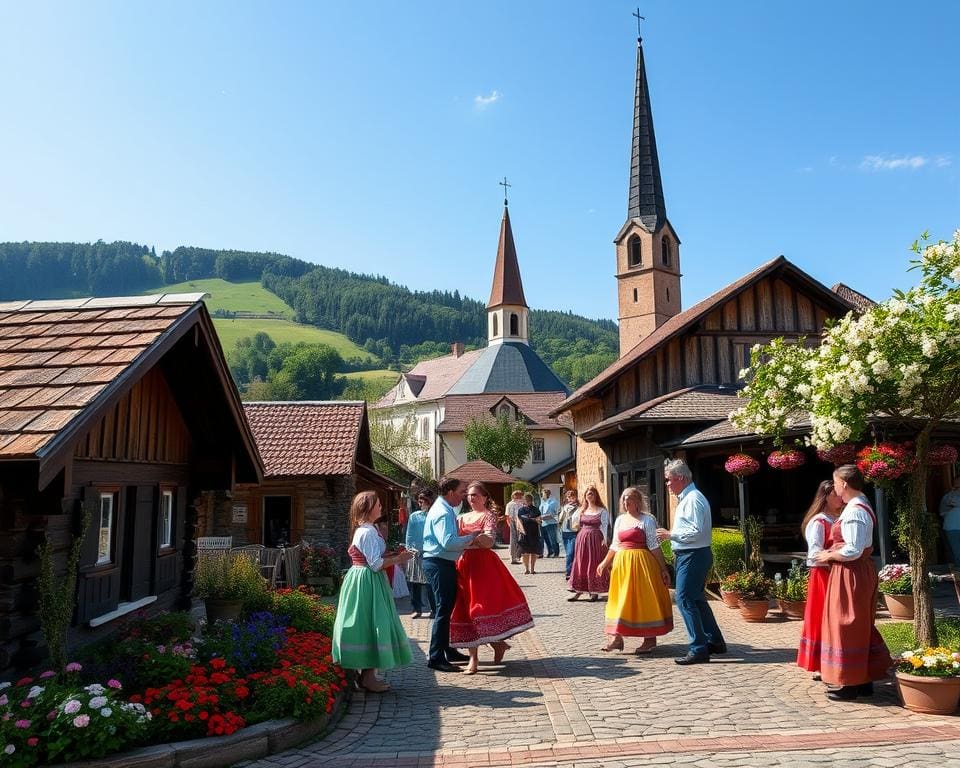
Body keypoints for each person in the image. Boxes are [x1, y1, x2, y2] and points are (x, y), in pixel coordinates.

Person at [814, 464, 892, 700]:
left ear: (844, 484)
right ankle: (862, 679)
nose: (835, 487)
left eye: (836, 483)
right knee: (856, 624)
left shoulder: (856, 510)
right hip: (852, 571)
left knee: (847, 624)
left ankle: (850, 683)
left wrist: (828, 555)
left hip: (851, 572)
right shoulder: (857, 506)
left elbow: (854, 550)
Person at [332, 491, 415, 692]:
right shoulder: (367, 532)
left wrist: (393, 554)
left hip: (366, 579)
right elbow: (376, 564)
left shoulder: (368, 529)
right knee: (373, 623)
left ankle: (367, 675)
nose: (380, 508)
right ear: (368, 508)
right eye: (377, 505)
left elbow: (374, 557)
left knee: (370, 623)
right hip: (367, 581)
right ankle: (368, 677)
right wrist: (399, 559)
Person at [450, 481, 535, 674]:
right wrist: (470, 538)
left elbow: (488, 542)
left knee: (480, 609)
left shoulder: (488, 516)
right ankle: (477, 655)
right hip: (464, 564)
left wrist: (474, 538)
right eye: (470, 495)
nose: (472, 498)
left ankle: (494, 646)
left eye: (476, 495)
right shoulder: (461, 517)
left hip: (483, 566)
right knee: (465, 609)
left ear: (485, 497)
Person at [657, 459, 727, 665]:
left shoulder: (693, 499)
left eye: (668, 480)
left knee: (685, 598)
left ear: (680, 478)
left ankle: (698, 648)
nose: (667, 484)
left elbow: (695, 531)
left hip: (693, 554)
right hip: (691, 554)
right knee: (696, 598)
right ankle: (715, 641)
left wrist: (671, 535)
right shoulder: (688, 498)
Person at [422, 476, 490, 672]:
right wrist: (472, 536)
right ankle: (436, 657)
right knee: (443, 611)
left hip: (440, 562)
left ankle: (448, 650)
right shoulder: (443, 512)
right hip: (439, 563)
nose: (464, 497)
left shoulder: (444, 508)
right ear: (450, 492)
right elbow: (449, 543)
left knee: (447, 609)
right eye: (462, 492)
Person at [597, 487, 673, 653]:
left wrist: (663, 569)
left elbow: (654, 546)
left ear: (638, 501)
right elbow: (615, 545)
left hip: (642, 566)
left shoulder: (647, 520)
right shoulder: (620, 520)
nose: (626, 502)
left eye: (629, 498)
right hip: (622, 566)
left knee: (644, 600)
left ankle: (650, 638)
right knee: (619, 600)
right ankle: (616, 637)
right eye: (624, 499)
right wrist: (604, 563)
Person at [796, 480, 842, 677]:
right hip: (823, 574)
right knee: (821, 617)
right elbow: (814, 554)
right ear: (825, 497)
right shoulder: (818, 522)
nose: (840, 498)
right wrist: (834, 556)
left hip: (836, 573)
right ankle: (819, 663)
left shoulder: (839, 518)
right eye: (835, 495)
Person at [567, 485, 609, 601]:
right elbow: (574, 524)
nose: (590, 495)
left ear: (596, 496)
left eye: (592, 493)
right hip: (582, 538)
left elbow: (604, 526)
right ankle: (578, 590)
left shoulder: (602, 511)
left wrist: (604, 540)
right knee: (581, 563)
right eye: (588, 494)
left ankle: (594, 590)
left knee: (594, 563)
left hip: (595, 538)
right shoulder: (581, 510)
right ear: (585, 496)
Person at [405, 487, 438, 619]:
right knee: (415, 583)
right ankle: (416, 609)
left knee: (430, 584)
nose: (421, 504)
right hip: (415, 553)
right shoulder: (414, 516)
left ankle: (434, 610)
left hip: (430, 553)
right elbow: (409, 534)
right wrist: (409, 549)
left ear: (430, 501)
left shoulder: (436, 516)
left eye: (424, 501)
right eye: (419, 501)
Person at [517, 492, 542, 575]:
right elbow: (521, 519)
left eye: (529, 500)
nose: (528, 501)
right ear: (524, 501)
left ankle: (532, 569)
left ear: (532, 500)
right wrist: (533, 519)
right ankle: (526, 569)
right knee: (525, 552)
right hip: (525, 533)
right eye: (526, 500)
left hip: (534, 532)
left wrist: (535, 520)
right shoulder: (521, 510)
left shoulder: (536, 509)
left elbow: (539, 520)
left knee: (533, 552)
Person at [558, 489, 580, 578]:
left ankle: (569, 573)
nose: (570, 498)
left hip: (573, 532)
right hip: (564, 531)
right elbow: (560, 518)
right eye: (569, 497)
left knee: (570, 553)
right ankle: (571, 571)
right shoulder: (565, 506)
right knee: (568, 553)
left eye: (572, 496)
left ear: (576, 497)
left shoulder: (579, 507)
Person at [939, 477, 960, 565]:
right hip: (952, 528)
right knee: (957, 554)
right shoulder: (949, 496)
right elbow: (942, 512)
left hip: (952, 527)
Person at [539, 489, 560, 558]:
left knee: (552, 538)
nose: (542, 495)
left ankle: (555, 552)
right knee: (546, 539)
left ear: (547, 494)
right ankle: (550, 552)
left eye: (543, 494)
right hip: (543, 523)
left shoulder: (553, 502)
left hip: (551, 523)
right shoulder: (542, 501)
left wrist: (545, 516)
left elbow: (555, 513)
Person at [506, 489, 524, 565]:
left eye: (520, 495)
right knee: (513, 540)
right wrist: (510, 524)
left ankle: (520, 556)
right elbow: (507, 515)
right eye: (518, 495)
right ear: (514, 496)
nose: (519, 496)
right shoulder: (509, 504)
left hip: (521, 522)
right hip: (513, 522)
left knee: (521, 539)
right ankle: (513, 557)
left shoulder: (522, 503)